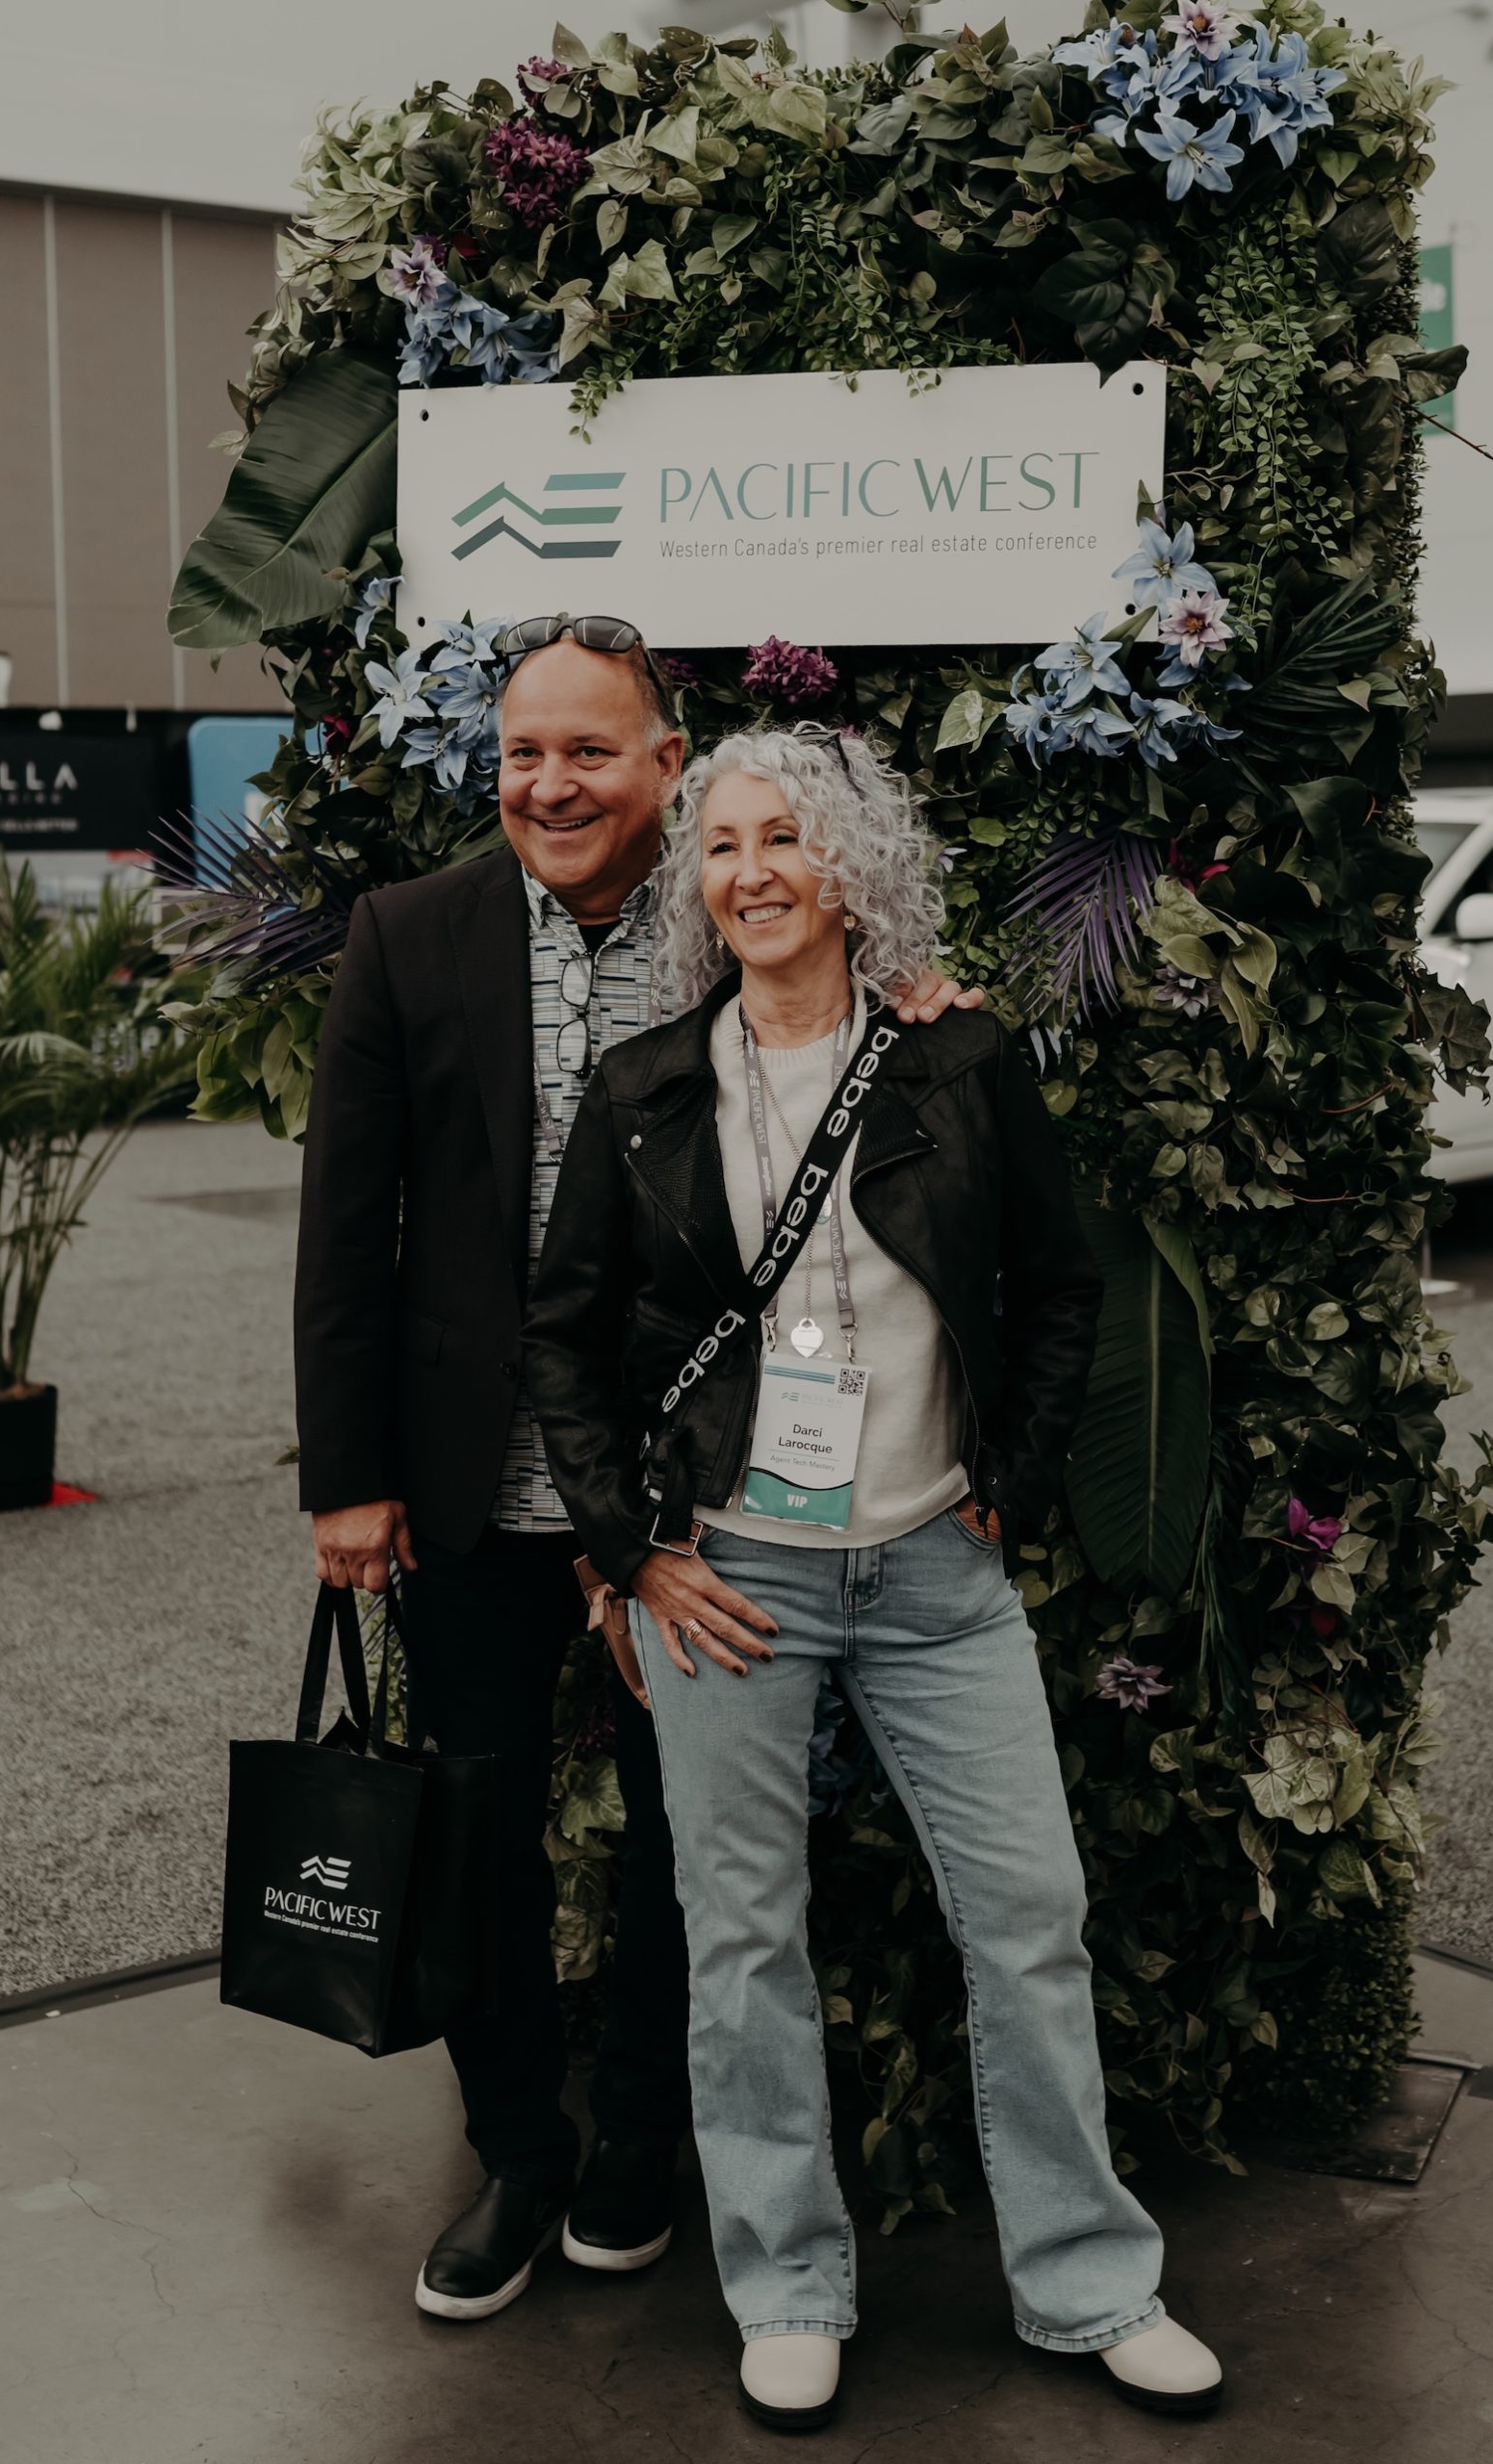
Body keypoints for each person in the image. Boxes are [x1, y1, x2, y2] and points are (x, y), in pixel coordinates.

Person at [524, 723, 1224, 2429]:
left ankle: (1087, 2284)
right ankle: (784, 2284)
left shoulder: (950, 1062)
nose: (749, 871)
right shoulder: (644, 1094)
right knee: (742, 1942)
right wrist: (630, 1548)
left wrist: (1014, 1473)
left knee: (1029, 1925)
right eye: (720, 845)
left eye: (783, 838)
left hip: (931, 1575)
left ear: (847, 867)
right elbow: (562, 1341)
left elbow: (1058, 1289)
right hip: (733, 1584)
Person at [292, 617, 983, 2324]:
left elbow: (854, 1019)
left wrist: (925, 999)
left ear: (664, 765)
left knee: (701, 1840)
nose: (549, 784)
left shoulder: (723, 909)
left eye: (588, 751)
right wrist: (345, 1478)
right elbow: (342, 1223)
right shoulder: (407, 934)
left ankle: (639, 2149)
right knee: (477, 1839)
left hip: (688, 1489)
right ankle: (519, 2149)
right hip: (464, 1491)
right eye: (523, 752)